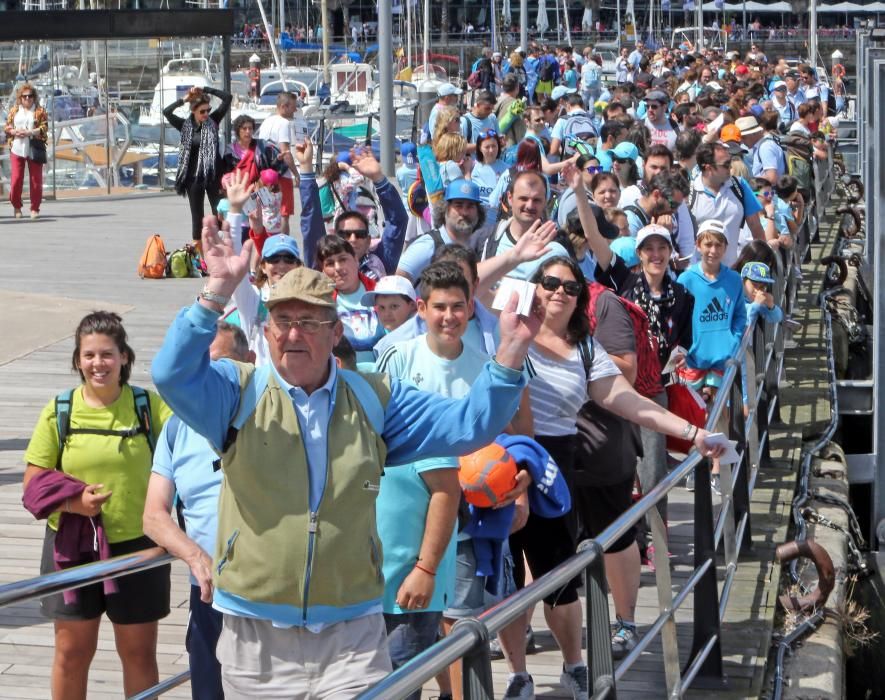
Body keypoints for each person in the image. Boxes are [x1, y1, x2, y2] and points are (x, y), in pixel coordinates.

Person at [151, 199, 541, 696]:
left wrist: (509, 351)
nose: (294, 334)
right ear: (266, 331)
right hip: (257, 630)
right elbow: (171, 374)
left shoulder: (375, 398)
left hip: (353, 629)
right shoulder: (236, 391)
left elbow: (470, 424)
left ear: (336, 331)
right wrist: (213, 297)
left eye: (310, 322)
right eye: (283, 320)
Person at [22, 311, 172, 699]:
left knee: (138, 654)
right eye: (88, 355)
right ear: (77, 360)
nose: (97, 364)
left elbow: (184, 458)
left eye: (107, 354)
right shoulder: (60, 410)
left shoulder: (149, 408)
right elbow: (32, 482)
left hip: (138, 545)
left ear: (124, 357)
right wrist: (74, 502)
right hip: (71, 547)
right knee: (71, 653)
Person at [142, 322, 254, 700]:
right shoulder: (177, 427)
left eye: (220, 366)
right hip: (207, 594)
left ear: (248, 363)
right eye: (200, 369)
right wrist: (195, 556)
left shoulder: (274, 419)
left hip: (267, 598)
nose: (208, 381)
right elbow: (154, 515)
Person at [676, 219, 747, 494]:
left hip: (722, 356)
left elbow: (740, 314)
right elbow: (679, 317)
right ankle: (696, 463)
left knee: (721, 413)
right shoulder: (686, 279)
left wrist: (734, 339)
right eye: (708, 244)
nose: (713, 250)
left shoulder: (734, 279)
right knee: (694, 414)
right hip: (694, 358)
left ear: (726, 248)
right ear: (698, 245)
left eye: (718, 245)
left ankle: (717, 466)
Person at [164, 85, 232, 243]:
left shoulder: (213, 121)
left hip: (214, 176)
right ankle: (199, 255)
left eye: (208, 110)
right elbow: (166, 112)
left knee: (221, 212)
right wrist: (185, 99)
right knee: (197, 218)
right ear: (193, 111)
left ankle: (224, 248)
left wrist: (207, 89)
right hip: (193, 178)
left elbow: (227, 98)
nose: (206, 114)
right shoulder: (185, 126)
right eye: (202, 111)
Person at [396, 179, 486, 282]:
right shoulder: (428, 245)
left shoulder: (477, 246)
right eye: (458, 205)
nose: (464, 212)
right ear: (445, 209)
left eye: (470, 206)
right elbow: (398, 282)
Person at [257, 91, 298, 234]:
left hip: (264, 176)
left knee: (265, 211)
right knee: (284, 214)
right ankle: (283, 248)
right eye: (293, 106)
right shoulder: (284, 123)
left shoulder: (267, 121)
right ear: (284, 106)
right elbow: (285, 152)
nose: (296, 110)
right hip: (281, 176)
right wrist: (296, 174)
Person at [5, 82, 47, 219]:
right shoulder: (14, 111)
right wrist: (15, 131)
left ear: (34, 97)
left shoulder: (40, 111)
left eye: (30, 96)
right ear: (20, 98)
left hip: (34, 148)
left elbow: (44, 128)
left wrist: (29, 132)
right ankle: (17, 206)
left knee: (36, 180)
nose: (27, 99)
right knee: (16, 179)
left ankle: (35, 208)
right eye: (24, 96)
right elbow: (7, 127)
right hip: (17, 148)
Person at [222, 114, 271, 185]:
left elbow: (270, 169)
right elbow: (227, 174)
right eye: (244, 128)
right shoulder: (230, 151)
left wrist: (278, 160)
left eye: (250, 128)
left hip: (260, 189)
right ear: (238, 130)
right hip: (238, 190)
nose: (247, 131)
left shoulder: (261, 146)